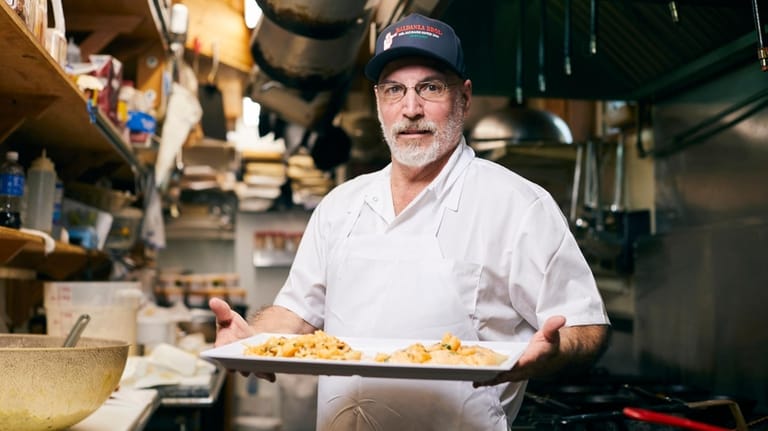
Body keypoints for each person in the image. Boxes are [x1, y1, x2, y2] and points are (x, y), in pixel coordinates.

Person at [210, 12, 610, 430]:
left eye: (430, 88)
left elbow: (587, 325)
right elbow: (295, 315)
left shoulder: (518, 205)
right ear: (379, 100)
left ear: (465, 97)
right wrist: (249, 340)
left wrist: (554, 353)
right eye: (395, 90)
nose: (411, 109)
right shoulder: (340, 205)